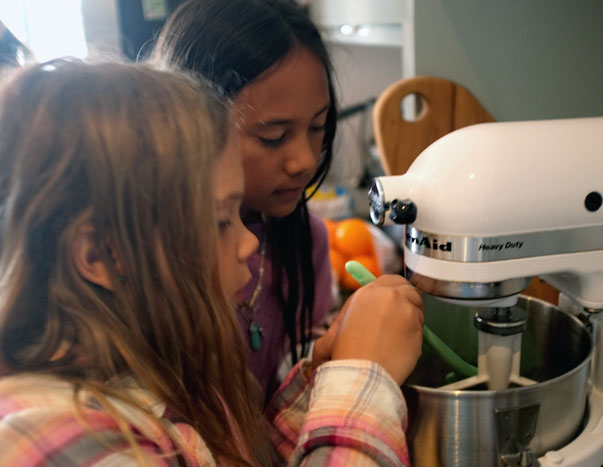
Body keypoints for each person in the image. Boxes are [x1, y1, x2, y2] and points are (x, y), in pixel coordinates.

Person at [0, 59, 424, 465]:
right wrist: (361, 382)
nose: (247, 244)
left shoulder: (154, 375)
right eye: (222, 220)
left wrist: (321, 384)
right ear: (101, 255)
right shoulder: (55, 438)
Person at [151, 0, 339, 400]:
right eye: (273, 137)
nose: (304, 161)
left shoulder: (307, 244)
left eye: (318, 127)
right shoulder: (154, 260)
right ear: (191, 124)